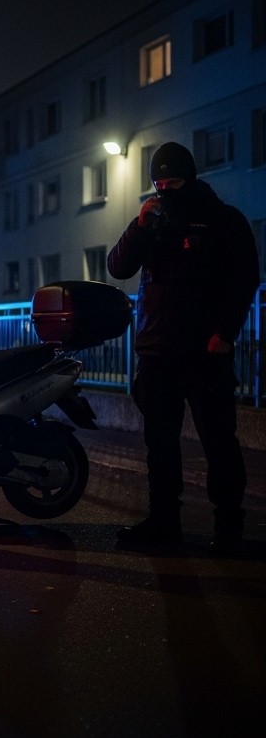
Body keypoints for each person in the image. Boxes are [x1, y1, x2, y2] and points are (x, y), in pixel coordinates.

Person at [106, 141, 260, 552]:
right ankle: (163, 524)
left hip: (205, 352)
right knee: (160, 442)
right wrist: (139, 227)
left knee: (218, 441)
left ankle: (228, 527)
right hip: (157, 351)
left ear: (190, 179)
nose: (166, 189)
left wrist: (224, 333)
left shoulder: (223, 220)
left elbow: (244, 280)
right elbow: (118, 266)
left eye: (173, 181)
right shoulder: (153, 221)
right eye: (159, 183)